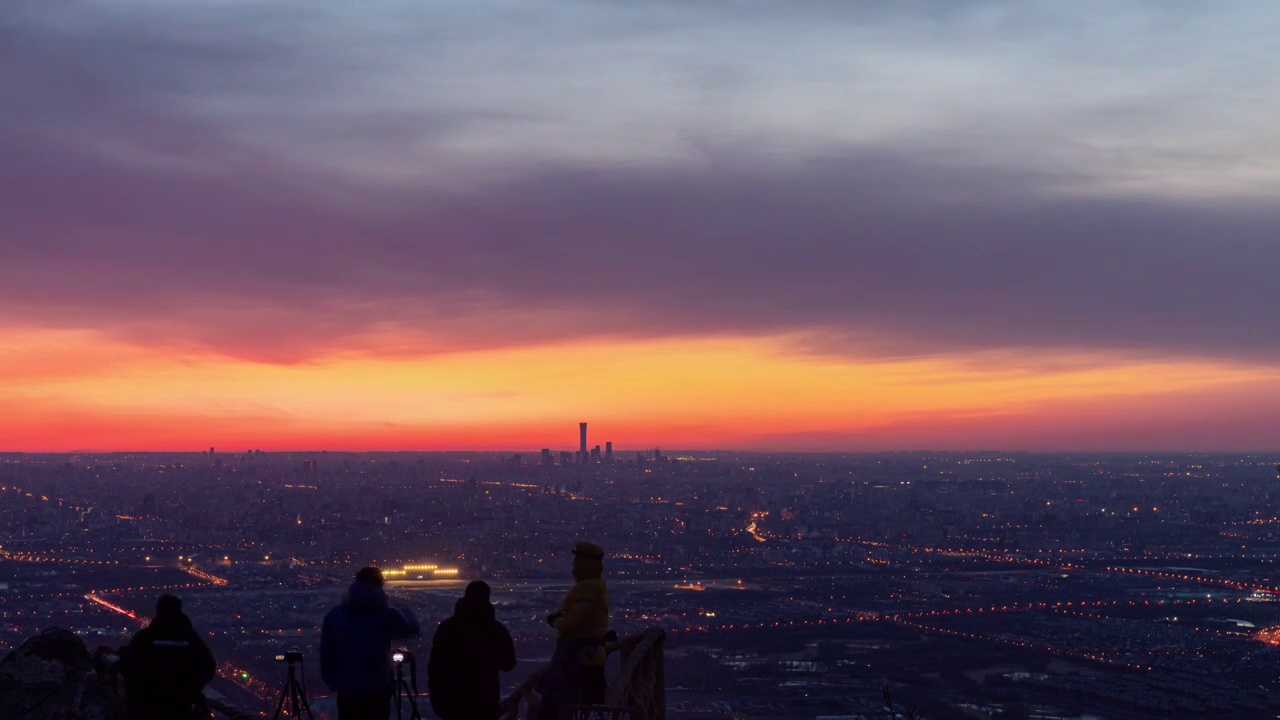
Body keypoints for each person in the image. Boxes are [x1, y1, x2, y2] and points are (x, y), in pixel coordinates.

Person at [321, 566, 421, 720]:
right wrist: (401, 605)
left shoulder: (335, 616)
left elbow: (326, 653)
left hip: (347, 690)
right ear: (379, 586)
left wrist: (333, 681)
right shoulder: (384, 616)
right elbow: (411, 628)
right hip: (377, 688)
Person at [538, 542, 610, 720]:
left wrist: (556, 621)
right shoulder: (599, 585)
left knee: (563, 698)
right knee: (590, 703)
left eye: (576, 562)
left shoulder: (586, 588)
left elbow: (576, 621)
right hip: (592, 654)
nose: (573, 568)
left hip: (577, 655)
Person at [427, 580, 518, 720]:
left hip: (451, 699)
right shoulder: (496, 629)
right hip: (484, 699)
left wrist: (437, 697)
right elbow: (509, 664)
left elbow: (434, 666)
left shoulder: (447, 628)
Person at [118, 594, 217, 720]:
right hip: (180, 706)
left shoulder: (145, 637)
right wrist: (191, 690)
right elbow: (208, 666)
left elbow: (128, 665)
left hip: (147, 706)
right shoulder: (190, 638)